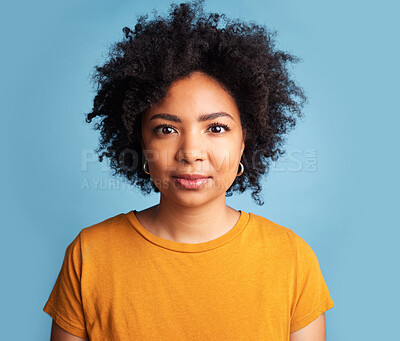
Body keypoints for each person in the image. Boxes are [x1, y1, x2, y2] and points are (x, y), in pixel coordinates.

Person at [43, 0, 334, 340]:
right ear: (140, 142)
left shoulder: (291, 257)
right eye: (166, 129)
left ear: (245, 141)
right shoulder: (89, 255)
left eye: (216, 128)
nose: (191, 153)